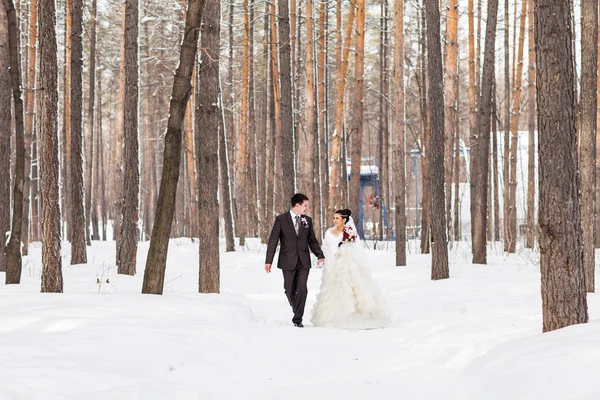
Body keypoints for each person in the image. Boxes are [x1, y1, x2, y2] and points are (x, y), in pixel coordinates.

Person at [310, 209, 392, 329]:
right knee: (332, 290)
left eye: (337, 218)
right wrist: (326, 262)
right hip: (331, 264)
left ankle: (354, 316)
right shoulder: (328, 232)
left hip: (345, 264)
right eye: (334, 218)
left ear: (344, 220)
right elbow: (326, 247)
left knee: (349, 289)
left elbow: (355, 249)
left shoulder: (350, 232)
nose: (334, 220)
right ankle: (333, 317)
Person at [265, 193, 325, 327]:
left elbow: (312, 240)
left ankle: (298, 318)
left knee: (302, 288)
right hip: (287, 260)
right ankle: (296, 308)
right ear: (297, 205)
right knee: (288, 288)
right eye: (305, 205)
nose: (306, 208)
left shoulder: (307, 220)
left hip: (304, 260)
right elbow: (273, 241)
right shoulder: (281, 219)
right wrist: (268, 261)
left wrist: (319, 255)